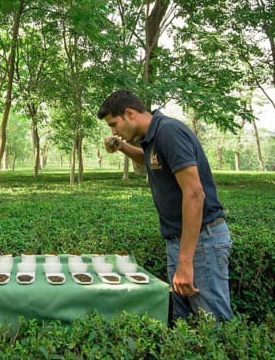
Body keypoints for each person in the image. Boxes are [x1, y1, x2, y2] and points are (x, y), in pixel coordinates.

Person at [97, 90, 232, 321]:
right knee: (184, 322)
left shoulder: (168, 132)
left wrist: (186, 261)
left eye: (114, 124)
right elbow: (151, 159)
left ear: (129, 114)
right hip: (180, 241)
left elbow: (194, 194)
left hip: (202, 241)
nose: (113, 131)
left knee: (212, 324)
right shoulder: (152, 136)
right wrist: (121, 146)